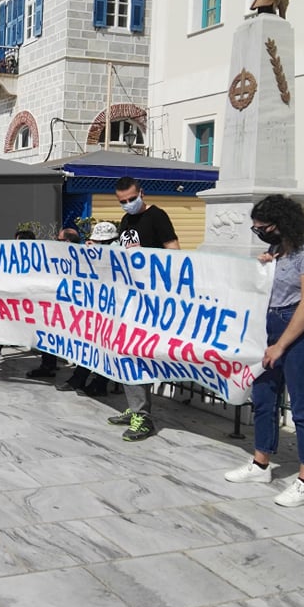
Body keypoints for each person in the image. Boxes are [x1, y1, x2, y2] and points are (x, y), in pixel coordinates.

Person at [224, 195, 304, 507]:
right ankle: (260, 464)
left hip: (300, 333)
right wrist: (263, 267)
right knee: (264, 400)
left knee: (303, 409)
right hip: (268, 327)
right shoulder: (276, 250)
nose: (260, 232)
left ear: (282, 223)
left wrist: (281, 345)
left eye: (264, 227)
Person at [108, 176, 180, 441]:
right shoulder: (126, 221)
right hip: (130, 297)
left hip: (151, 298)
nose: (128, 204)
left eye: (131, 198)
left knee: (135, 353)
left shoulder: (157, 216)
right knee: (124, 351)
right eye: (122, 201)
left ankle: (143, 417)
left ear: (142, 193)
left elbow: (173, 252)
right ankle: (135, 406)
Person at [58, 221, 118, 396]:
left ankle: (99, 383)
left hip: (112, 310)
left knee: (106, 347)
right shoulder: (101, 251)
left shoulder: (118, 252)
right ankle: (80, 379)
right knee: (90, 345)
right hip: (97, 307)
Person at [25, 228, 81, 378]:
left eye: (59, 240)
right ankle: (48, 364)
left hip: (71, 306)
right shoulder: (57, 255)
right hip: (56, 304)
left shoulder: (83, 257)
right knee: (49, 333)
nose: (56, 242)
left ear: (67, 241)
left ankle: (63, 369)